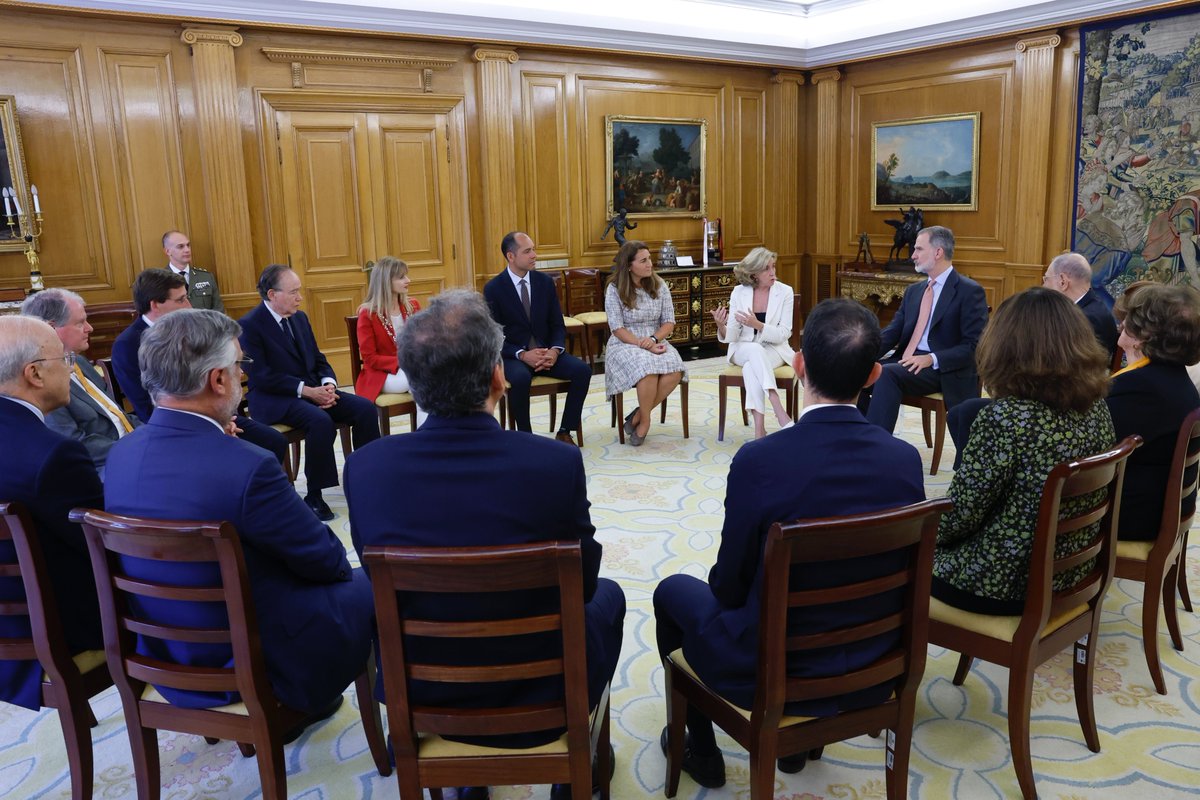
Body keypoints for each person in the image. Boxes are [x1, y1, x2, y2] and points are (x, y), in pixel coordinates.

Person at [345, 290, 625, 800]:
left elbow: (369, 580)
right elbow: (583, 583)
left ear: (416, 382)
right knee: (610, 595)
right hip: (546, 689)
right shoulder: (554, 464)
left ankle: (466, 779)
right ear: (499, 376)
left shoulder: (366, 469)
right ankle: (580, 766)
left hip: (426, 690)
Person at [653, 298, 925, 788]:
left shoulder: (761, 460)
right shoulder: (904, 460)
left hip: (769, 669)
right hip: (874, 659)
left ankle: (704, 752)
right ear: (873, 377)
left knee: (671, 592)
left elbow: (729, 588)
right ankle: (800, 749)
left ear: (798, 365)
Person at [104, 309, 374, 723]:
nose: (241, 376)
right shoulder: (249, 465)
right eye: (238, 366)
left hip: (166, 653)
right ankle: (306, 704)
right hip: (253, 659)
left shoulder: (119, 455)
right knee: (372, 583)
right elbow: (328, 562)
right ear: (217, 380)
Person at [933, 288, 1114, 615]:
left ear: (1004, 347)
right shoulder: (1098, 408)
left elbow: (958, 518)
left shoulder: (1004, 419)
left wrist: (916, 530)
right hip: (1073, 571)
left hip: (1004, 584)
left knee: (893, 557)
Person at [0, 316, 105, 711]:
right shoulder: (54, 455)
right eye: (65, 359)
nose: (71, 367)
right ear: (35, 375)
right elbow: (104, 547)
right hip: (57, 630)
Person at [948, 251, 1119, 467]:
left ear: (1063, 281)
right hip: (1071, 398)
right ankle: (967, 466)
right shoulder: (1091, 309)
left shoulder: (1084, 318)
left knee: (971, 413)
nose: (1043, 284)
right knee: (960, 413)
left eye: (1045, 279)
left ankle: (971, 468)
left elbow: (1056, 372)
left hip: (1056, 401)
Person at [239, 264, 379, 521]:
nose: (300, 297)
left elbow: (318, 358)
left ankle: (367, 478)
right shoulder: (250, 325)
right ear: (272, 294)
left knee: (365, 409)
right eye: (293, 292)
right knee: (319, 421)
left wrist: (328, 385)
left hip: (312, 388)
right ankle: (314, 495)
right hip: (273, 398)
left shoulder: (300, 318)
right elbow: (262, 376)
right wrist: (307, 392)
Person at [111, 269, 288, 464]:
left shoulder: (191, 330)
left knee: (273, 441)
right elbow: (146, 407)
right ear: (155, 305)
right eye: (180, 300)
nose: (189, 305)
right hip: (176, 428)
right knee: (240, 457)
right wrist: (213, 424)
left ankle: (266, 491)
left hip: (217, 414)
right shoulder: (127, 345)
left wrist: (223, 419)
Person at [859, 225, 988, 433]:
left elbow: (974, 346)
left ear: (938, 252)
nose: (913, 255)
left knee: (885, 374)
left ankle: (875, 447)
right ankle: (859, 438)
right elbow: (892, 332)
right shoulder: (914, 291)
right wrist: (860, 356)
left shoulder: (969, 291)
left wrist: (931, 358)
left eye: (919, 249)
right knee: (860, 372)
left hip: (943, 369)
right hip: (907, 362)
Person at [1106, 284, 1200, 540]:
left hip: (1131, 515)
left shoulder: (1142, 387)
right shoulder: (1171, 378)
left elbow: (1093, 446)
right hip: (1154, 506)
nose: (1122, 325)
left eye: (1128, 321)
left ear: (1144, 335)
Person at [483, 231, 591, 446]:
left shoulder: (544, 282)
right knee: (521, 379)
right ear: (511, 256)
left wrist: (554, 350)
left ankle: (565, 430)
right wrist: (522, 354)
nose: (534, 255)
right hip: (514, 356)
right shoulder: (494, 289)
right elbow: (493, 335)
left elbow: (557, 325)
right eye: (528, 251)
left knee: (582, 371)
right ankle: (526, 438)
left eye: (534, 249)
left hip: (546, 353)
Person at [22, 288, 139, 478]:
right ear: (51, 328)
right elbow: (74, 444)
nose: (90, 328)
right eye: (80, 323)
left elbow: (119, 416)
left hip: (130, 451)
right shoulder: (39, 379)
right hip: (102, 470)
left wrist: (155, 434)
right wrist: (139, 446)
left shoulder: (80, 362)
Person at [603, 240, 685, 446]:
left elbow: (669, 322)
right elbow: (617, 328)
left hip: (655, 338)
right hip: (625, 342)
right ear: (629, 266)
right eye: (644, 260)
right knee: (647, 368)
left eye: (649, 259)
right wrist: (641, 343)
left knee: (675, 368)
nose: (650, 264)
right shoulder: (614, 289)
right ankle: (645, 422)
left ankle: (638, 415)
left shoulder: (659, 285)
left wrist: (653, 339)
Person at [711, 246, 795, 438]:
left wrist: (757, 324)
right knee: (754, 351)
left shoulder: (785, 292)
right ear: (754, 273)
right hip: (742, 348)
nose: (773, 272)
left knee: (751, 368)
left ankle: (759, 430)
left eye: (773, 266)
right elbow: (732, 336)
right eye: (767, 268)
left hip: (774, 349)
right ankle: (776, 404)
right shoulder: (739, 292)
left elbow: (784, 333)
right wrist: (721, 326)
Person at [353, 256, 427, 427]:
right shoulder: (368, 314)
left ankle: (428, 433)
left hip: (412, 368)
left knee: (426, 382)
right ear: (386, 281)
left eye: (406, 276)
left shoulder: (413, 305)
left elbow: (423, 342)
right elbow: (370, 358)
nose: (408, 280)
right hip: (382, 374)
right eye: (401, 277)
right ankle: (427, 436)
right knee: (423, 378)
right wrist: (404, 361)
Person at [1042, 252, 1118, 357]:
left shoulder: (1087, 319)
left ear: (1063, 282)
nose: (1044, 286)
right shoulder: (1088, 308)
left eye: (1046, 279)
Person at [162, 229, 225, 312]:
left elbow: (219, 311)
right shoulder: (160, 280)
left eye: (188, 245)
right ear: (168, 251)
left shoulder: (205, 277)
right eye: (180, 246)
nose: (187, 250)